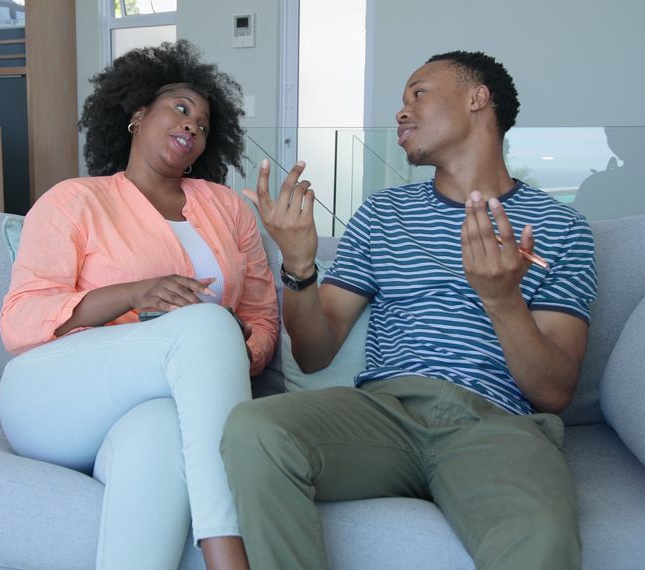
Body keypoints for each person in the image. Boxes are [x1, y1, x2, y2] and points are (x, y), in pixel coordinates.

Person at [222, 51, 598, 570]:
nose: (400, 112)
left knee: (540, 538)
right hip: (384, 414)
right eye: (401, 101)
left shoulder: (560, 227)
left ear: (476, 98)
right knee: (254, 429)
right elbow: (313, 353)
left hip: (497, 425)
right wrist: (299, 265)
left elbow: (554, 392)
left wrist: (502, 300)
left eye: (417, 94)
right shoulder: (382, 213)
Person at [0, 40, 277, 570]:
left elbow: (262, 320)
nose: (193, 124)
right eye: (180, 107)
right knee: (205, 324)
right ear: (137, 115)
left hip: (159, 408)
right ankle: (228, 551)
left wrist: (243, 347)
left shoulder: (229, 209)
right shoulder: (74, 200)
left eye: (203, 121)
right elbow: (20, 322)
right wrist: (134, 294)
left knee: (156, 440)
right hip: (53, 397)